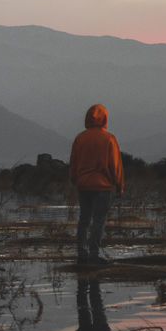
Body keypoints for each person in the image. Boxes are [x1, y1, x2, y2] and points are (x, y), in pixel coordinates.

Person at [69, 103, 124, 265]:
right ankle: (93, 255)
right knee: (98, 221)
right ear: (105, 118)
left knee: (84, 220)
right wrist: (119, 186)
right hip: (102, 187)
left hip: (83, 185)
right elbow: (116, 165)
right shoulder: (109, 139)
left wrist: (74, 180)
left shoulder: (80, 138)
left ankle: (81, 254)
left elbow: (73, 163)